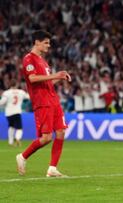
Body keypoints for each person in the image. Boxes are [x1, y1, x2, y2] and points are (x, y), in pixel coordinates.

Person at [16, 30, 71, 177]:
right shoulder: (29, 59)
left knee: (61, 132)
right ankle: (22, 156)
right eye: (46, 42)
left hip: (53, 100)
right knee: (46, 138)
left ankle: (52, 168)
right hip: (42, 101)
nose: (49, 45)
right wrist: (55, 74)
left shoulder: (43, 61)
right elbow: (33, 79)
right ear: (37, 42)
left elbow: (47, 82)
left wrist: (59, 77)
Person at [0, 81, 30, 147]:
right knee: (19, 128)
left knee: (11, 127)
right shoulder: (21, 92)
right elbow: (29, 97)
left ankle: (10, 142)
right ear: (16, 84)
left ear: (9, 85)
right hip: (17, 112)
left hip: (8, 113)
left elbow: (2, 102)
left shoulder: (6, 93)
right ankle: (17, 138)